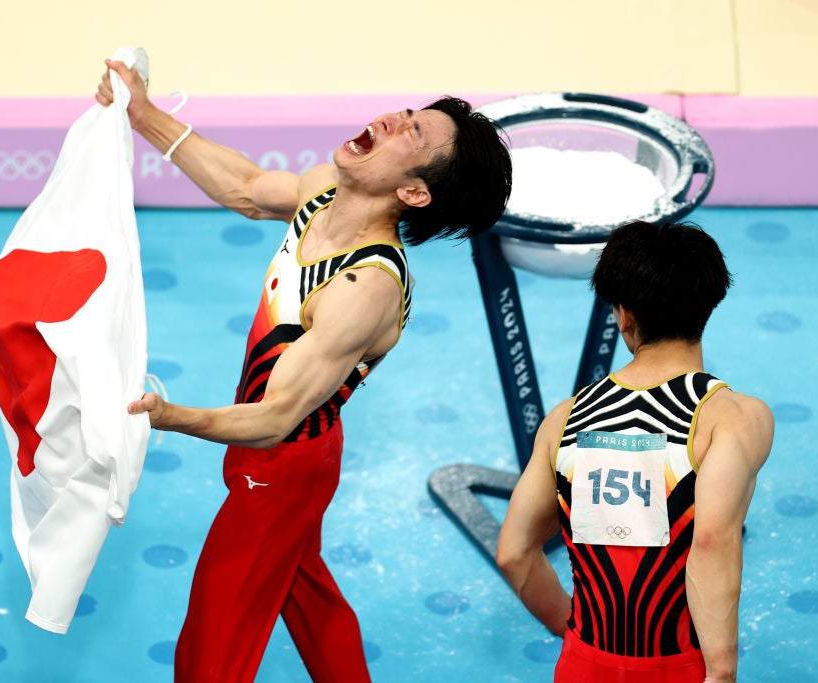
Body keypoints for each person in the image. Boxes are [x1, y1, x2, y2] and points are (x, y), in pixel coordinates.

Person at [96, 58, 513, 682]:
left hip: (282, 466)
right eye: (407, 113)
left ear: (414, 193)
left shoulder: (362, 288)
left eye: (413, 135)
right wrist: (144, 114)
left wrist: (165, 416)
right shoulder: (321, 193)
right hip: (288, 448)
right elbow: (243, 185)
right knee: (304, 592)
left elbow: (273, 420)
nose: (394, 119)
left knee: (212, 644)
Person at [495, 220, 774, 682]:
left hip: (585, 661)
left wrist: (575, 635)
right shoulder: (733, 419)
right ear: (709, 302)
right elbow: (712, 540)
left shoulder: (565, 419)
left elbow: (514, 553)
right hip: (681, 664)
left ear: (622, 313)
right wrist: (721, 673)